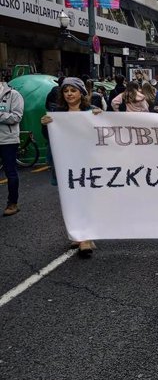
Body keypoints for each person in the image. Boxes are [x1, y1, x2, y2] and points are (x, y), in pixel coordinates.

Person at [40, 77, 102, 256]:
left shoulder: (91, 111)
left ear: (81, 93)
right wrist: (44, 125)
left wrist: (101, 117)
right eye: (66, 91)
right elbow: (49, 136)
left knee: (86, 199)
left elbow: (102, 133)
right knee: (71, 200)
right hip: (65, 164)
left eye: (73, 91)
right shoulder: (57, 113)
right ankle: (78, 233)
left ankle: (86, 238)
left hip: (88, 162)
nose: (69, 94)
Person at [0, 78, 24, 216]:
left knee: (10, 172)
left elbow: (17, 117)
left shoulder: (13, 95)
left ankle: (12, 203)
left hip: (8, 140)